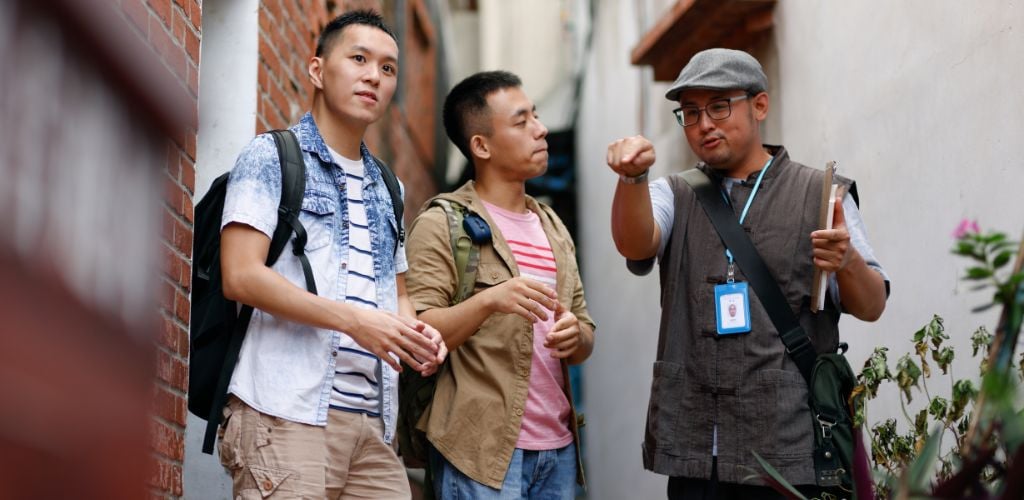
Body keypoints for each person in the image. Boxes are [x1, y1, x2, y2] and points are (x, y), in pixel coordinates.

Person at [606, 48, 889, 499]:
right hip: (697, 452)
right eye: (691, 112)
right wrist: (632, 179)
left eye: (719, 106)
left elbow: (872, 305)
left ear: (760, 106)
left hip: (788, 450)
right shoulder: (673, 193)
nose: (704, 124)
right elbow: (634, 243)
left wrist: (847, 261)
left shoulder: (820, 193)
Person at [218, 10, 446, 499]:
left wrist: (417, 332)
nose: (374, 76)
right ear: (317, 71)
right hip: (286, 414)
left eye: (388, 68)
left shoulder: (389, 186)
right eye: (359, 58)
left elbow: (397, 293)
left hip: (372, 424)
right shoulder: (271, 155)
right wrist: (354, 321)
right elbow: (239, 275)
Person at [405, 70, 596, 499]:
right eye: (521, 121)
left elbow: (584, 336)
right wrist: (491, 301)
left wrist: (576, 334)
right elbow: (420, 336)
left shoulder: (553, 227)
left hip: (560, 452)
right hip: (479, 451)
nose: (541, 129)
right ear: (481, 145)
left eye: (537, 116)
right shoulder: (442, 222)